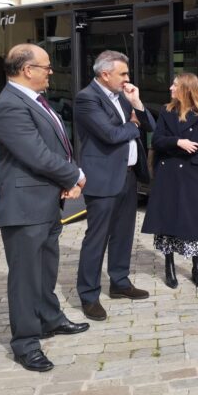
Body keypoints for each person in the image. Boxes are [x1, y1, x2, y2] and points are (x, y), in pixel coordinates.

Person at [0, 44, 89, 372]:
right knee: (25, 277)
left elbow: (55, 147)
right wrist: (75, 174)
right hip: (24, 207)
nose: (51, 71)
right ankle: (26, 343)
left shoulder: (34, 100)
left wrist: (65, 179)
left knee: (46, 268)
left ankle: (50, 318)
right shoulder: (9, 105)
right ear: (27, 69)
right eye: (46, 66)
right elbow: (36, 154)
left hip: (46, 202)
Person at [74, 50, 155, 321]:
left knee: (123, 234)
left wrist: (137, 104)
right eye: (123, 74)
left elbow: (150, 125)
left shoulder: (122, 96)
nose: (127, 79)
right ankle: (89, 295)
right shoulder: (87, 98)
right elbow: (109, 134)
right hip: (102, 178)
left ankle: (119, 282)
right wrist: (132, 126)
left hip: (128, 176)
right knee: (97, 238)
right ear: (105, 74)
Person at [141, 73, 198, 289]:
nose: (170, 88)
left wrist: (171, 144)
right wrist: (178, 142)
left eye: (175, 85)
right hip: (167, 173)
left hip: (190, 173)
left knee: (192, 220)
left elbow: (195, 145)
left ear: (186, 89)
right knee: (167, 218)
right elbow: (157, 140)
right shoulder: (166, 110)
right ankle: (169, 266)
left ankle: (197, 267)